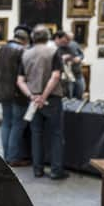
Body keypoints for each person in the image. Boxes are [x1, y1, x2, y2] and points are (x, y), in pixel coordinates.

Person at [17, 25, 68, 180]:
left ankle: (37, 170)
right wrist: (43, 97)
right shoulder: (53, 52)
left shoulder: (25, 54)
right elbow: (56, 76)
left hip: (33, 100)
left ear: (33, 37)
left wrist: (32, 96)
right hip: (51, 99)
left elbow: (20, 81)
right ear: (48, 37)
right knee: (56, 134)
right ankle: (56, 170)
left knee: (36, 135)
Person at [0, 26, 30, 166]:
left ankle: (6, 156)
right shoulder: (22, 51)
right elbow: (24, 74)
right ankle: (13, 158)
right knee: (18, 124)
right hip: (17, 93)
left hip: (2, 92)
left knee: (6, 122)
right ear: (25, 40)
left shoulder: (2, 49)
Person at [54, 31, 85, 99]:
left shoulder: (74, 44)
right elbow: (55, 64)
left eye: (70, 40)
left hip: (78, 75)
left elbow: (82, 55)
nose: (68, 42)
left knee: (80, 95)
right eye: (67, 39)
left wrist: (79, 58)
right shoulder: (57, 48)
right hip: (67, 78)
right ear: (63, 38)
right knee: (69, 98)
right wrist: (62, 59)